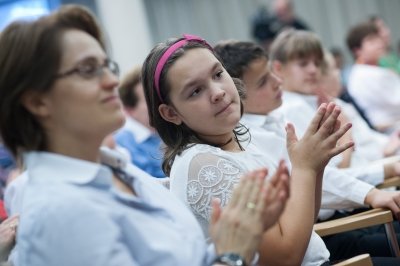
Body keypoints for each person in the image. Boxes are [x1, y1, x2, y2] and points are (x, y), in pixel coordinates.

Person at [0, 5, 291, 266]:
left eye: (106, 66)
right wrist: (231, 255)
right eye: (88, 70)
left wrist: (239, 235)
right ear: (37, 102)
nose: (112, 81)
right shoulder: (58, 211)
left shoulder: (119, 171)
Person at [141, 33, 355, 265]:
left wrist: (316, 165)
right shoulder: (203, 165)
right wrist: (304, 168)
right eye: (195, 91)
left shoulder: (237, 139)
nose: (218, 92)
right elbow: (285, 258)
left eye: (218, 74)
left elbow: (298, 223)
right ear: (171, 113)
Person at [213, 39, 400, 263]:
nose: (276, 81)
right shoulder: (268, 125)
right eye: (263, 81)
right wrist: (374, 184)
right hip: (330, 230)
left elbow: (319, 170)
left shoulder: (275, 117)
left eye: (318, 64)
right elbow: (319, 173)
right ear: (237, 91)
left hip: (332, 226)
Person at [269, 28, 400, 183]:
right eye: (303, 64)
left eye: (316, 63)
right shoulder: (292, 109)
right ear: (278, 68)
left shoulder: (310, 102)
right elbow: (334, 174)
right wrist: (346, 133)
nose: (313, 70)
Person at [346, 21, 400, 134]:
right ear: (357, 50)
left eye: (378, 39)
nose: (379, 44)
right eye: (371, 41)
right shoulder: (368, 74)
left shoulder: (363, 71)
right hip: (388, 131)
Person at [114, 65, 164, 178]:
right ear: (129, 110)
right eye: (150, 99)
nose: (160, 102)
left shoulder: (171, 129)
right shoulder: (123, 146)